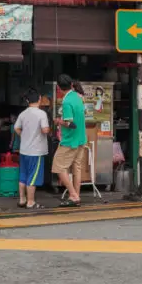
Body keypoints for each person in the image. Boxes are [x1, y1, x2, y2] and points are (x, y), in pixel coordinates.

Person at [52, 74, 86, 206]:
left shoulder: (66, 102)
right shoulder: (78, 97)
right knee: (76, 168)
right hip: (81, 139)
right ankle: (76, 196)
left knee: (58, 167)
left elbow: (70, 123)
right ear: (71, 85)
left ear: (59, 88)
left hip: (69, 141)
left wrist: (58, 121)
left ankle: (73, 195)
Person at [14, 89, 50, 210]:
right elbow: (45, 130)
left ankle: (22, 199)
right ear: (39, 99)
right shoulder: (41, 114)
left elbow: (16, 128)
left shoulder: (23, 114)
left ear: (27, 100)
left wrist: (24, 135)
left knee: (23, 175)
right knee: (33, 177)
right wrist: (49, 130)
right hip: (36, 150)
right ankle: (30, 202)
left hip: (24, 149)